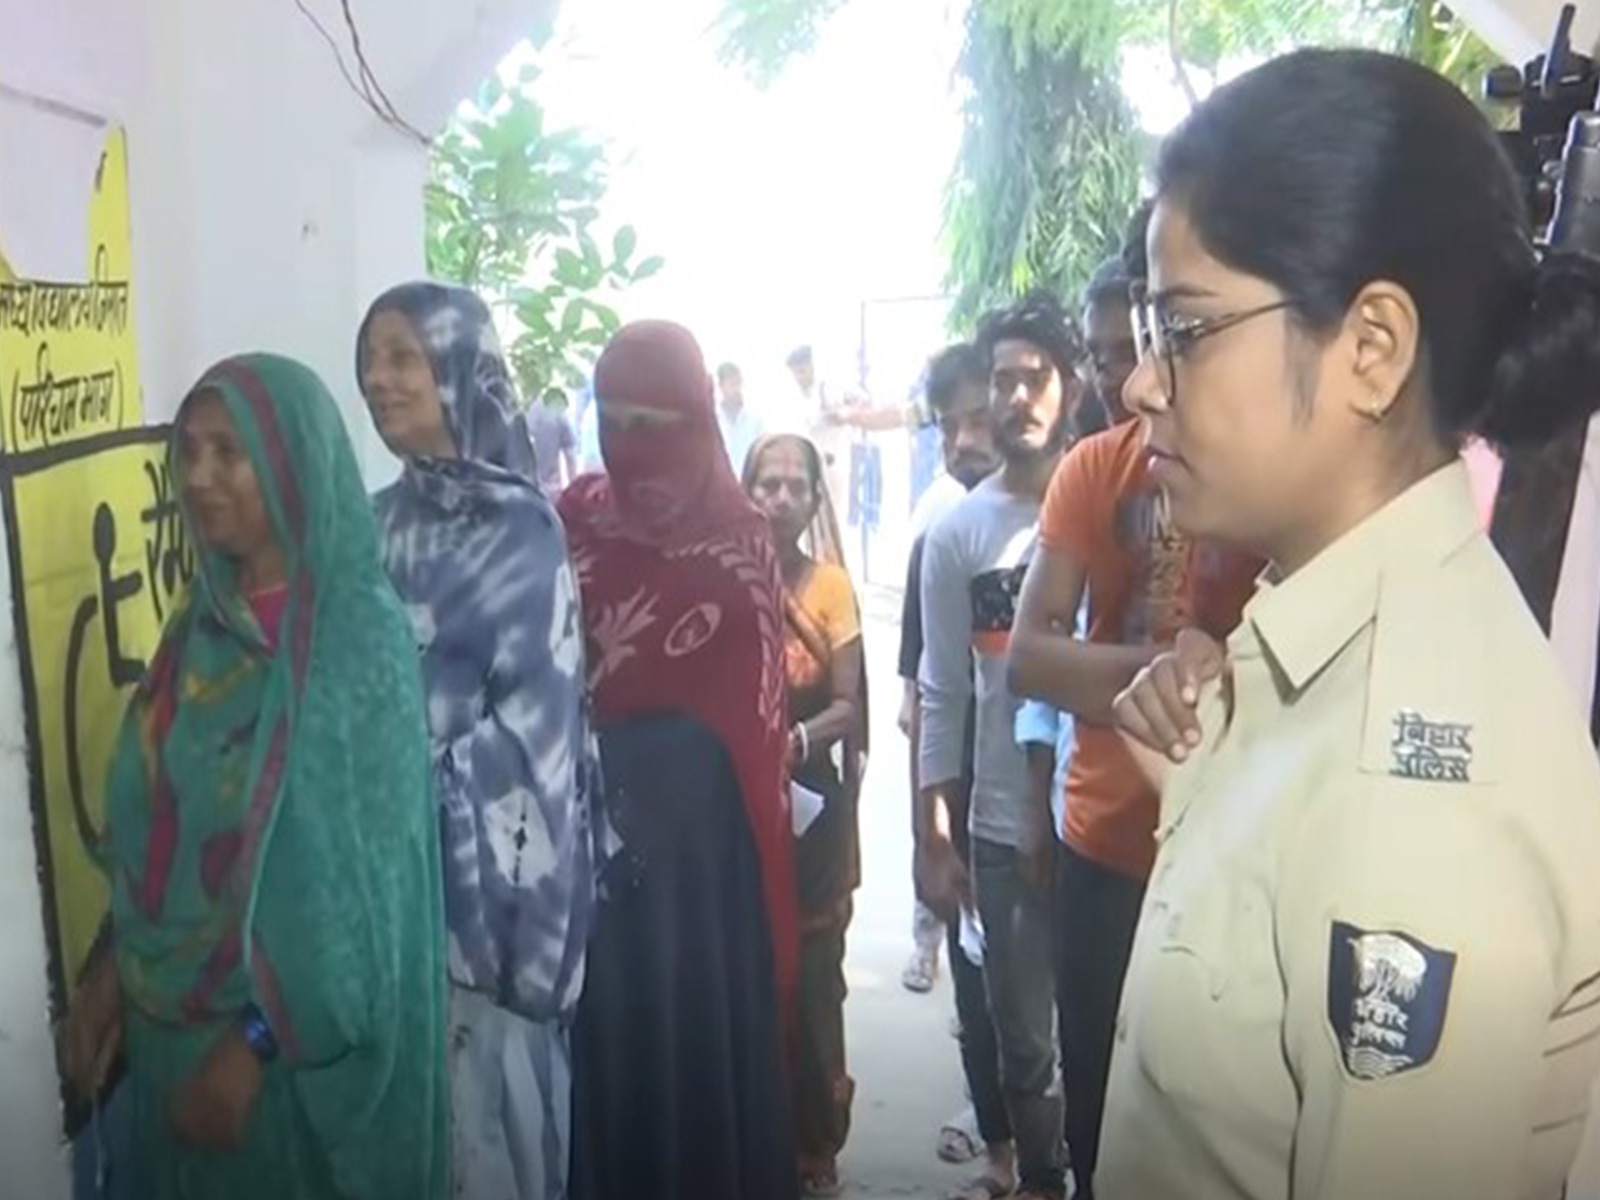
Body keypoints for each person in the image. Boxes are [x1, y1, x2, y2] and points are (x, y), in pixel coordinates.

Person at [1097, 50, 1600, 1200]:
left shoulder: (1418, 773)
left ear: (1370, 349)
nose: (1138, 383)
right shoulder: (1311, 647)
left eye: (1183, 329)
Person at [61, 354, 447, 1200]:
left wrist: (253, 1044)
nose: (199, 477)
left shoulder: (353, 647)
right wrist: (113, 975)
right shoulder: (199, 630)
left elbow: (362, 904)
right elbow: (160, 826)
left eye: (229, 453)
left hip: (282, 1081)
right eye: (189, 451)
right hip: (169, 1050)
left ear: (291, 463)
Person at [1008, 246, 1259, 1197]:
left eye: (1149, 346)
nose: (1131, 379)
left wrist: (1112, 678)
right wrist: (1175, 675)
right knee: (1098, 1115)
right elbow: (1028, 660)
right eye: (1112, 354)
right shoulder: (1091, 469)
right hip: (1106, 839)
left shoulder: (1256, 466)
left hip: (1228, 844)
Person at [358, 282, 595, 1200]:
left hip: (490, 917)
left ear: (460, 369)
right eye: (370, 357)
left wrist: (407, 775)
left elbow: (538, 747)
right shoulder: (371, 525)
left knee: (491, 1149)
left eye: (403, 356)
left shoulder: (524, 531)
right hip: (387, 906)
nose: (379, 379)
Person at [559, 321, 799, 1200]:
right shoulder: (569, 525)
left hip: (705, 889)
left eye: (659, 422)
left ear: (700, 420)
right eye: (617, 420)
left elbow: (759, 741)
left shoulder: (743, 545)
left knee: (697, 1087)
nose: (636, 447)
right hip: (589, 869)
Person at [918, 294, 1082, 1200]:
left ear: (1070, 386)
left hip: (1100, 821)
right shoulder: (958, 533)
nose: (1019, 397)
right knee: (1025, 1042)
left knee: (1094, 1030)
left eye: (1036, 378)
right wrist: (932, 832)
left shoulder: (1110, 506)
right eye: (1005, 380)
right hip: (997, 824)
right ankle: (1041, 1179)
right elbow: (943, 690)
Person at [895, 343, 1014, 1192]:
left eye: (979, 417)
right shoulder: (938, 539)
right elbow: (925, 697)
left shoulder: (1073, 519)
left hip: (1055, 796)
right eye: (950, 425)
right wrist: (927, 833)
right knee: (977, 975)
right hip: (969, 794)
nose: (966, 439)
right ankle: (1000, 1139)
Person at [744, 433, 865, 1198]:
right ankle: (755, 1131)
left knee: (814, 981)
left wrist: (792, 738)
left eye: (797, 485)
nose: (782, 497)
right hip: (739, 809)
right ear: (743, 489)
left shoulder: (828, 590)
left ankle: (818, 1146)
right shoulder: (726, 582)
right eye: (768, 482)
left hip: (811, 809)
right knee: (751, 972)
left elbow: (850, 705)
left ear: (816, 500)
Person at [527, 384, 579, 496]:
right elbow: (570, 456)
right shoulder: (561, 415)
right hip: (552, 486)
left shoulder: (532, 410)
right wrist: (575, 488)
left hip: (530, 484)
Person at [717, 361, 767, 474]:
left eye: (739, 383)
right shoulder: (714, 420)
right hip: (724, 482)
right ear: (721, 387)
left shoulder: (755, 418)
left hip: (749, 480)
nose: (737, 389)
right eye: (732, 385)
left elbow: (763, 452)